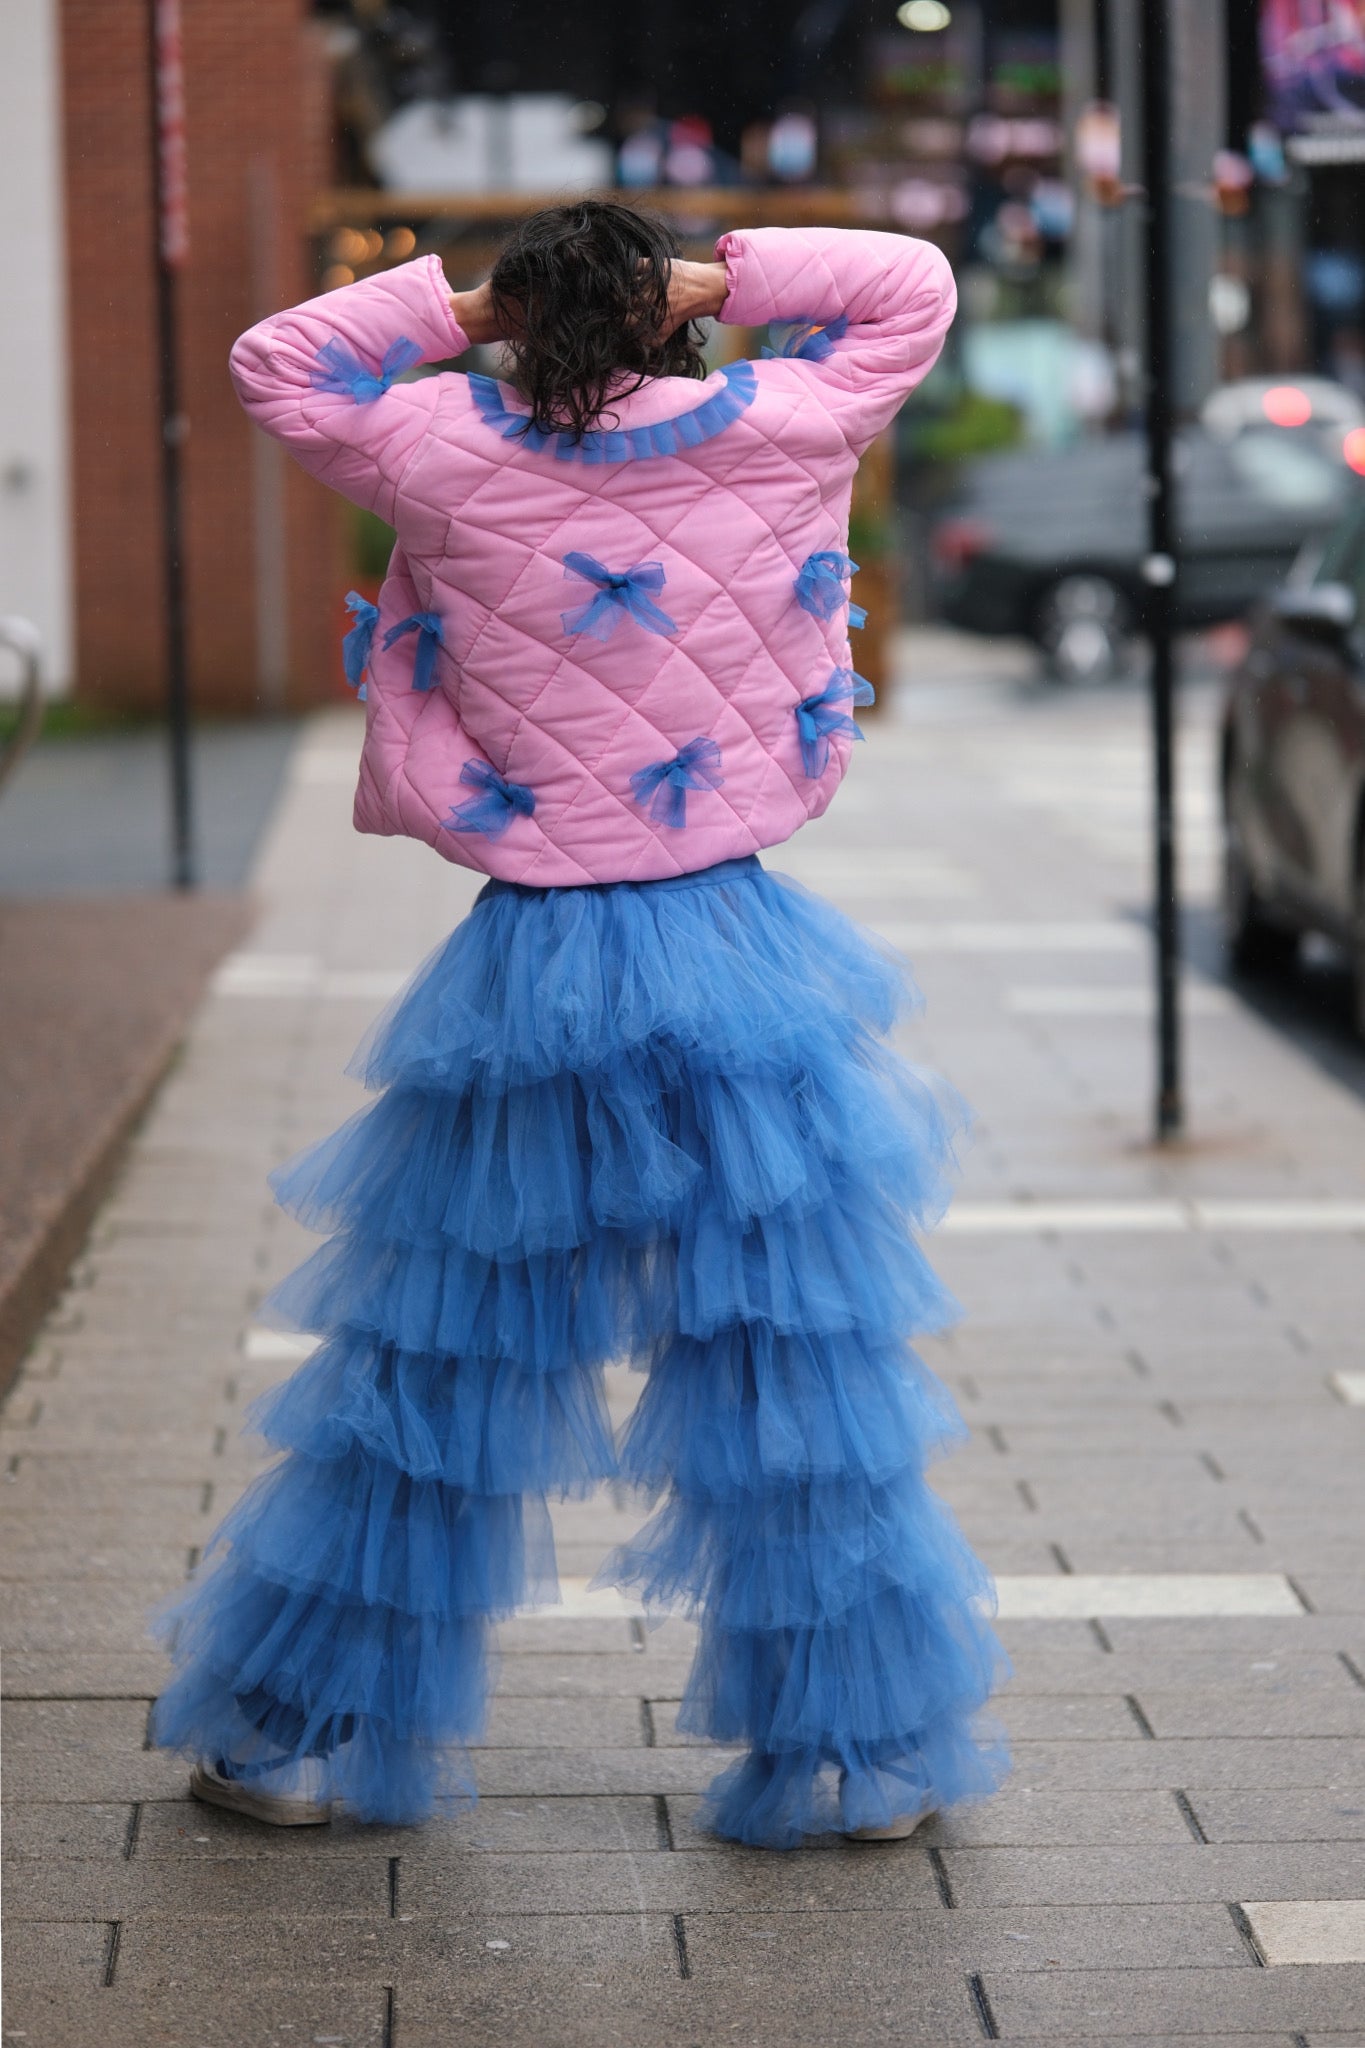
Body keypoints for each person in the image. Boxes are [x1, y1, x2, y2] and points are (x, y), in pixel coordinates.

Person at [150, 199, 1008, 1849]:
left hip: (533, 969)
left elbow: (280, 362)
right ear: (671, 317)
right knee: (787, 1374)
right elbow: (909, 281)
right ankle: (865, 1756)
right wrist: (692, 281)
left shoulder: (439, 453)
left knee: (438, 1368)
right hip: (735, 954)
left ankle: (298, 1738)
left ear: (534, 318)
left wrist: (484, 310)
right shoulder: (779, 425)